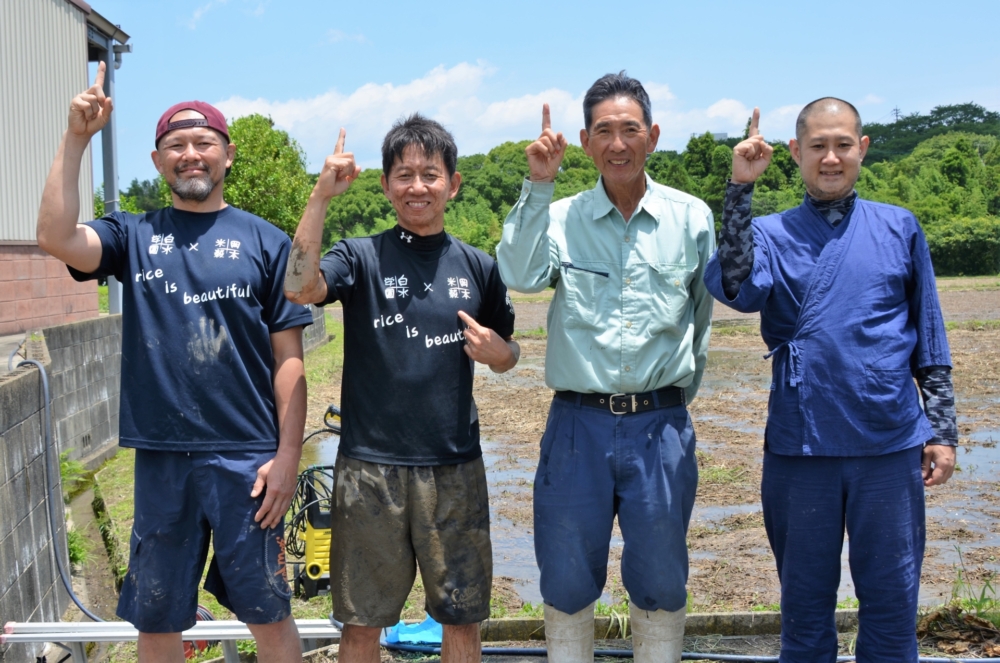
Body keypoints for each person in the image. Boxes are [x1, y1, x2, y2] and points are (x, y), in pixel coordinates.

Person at [35, 63, 311, 663]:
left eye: (203, 143)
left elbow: (288, 360)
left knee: (269, 612)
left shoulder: (267, 242)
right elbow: (56, 236)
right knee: (158, 618)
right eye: (176, 146)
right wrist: (76, 138)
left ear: (227, 155)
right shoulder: (134, 235)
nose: (191, 155)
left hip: (250, 459)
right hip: (162, 457)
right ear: (158, 161)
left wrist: (289, 457)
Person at [703, 100, 957, 663]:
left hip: (888, 443)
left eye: (843, 144)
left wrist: (941, 429)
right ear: (795, 154)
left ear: (862, 148)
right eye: (817, 146)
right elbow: (737, 284)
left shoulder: (899, 226)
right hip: (802, 443)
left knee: (892, 609)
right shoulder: (769, 232)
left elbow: (929, 333)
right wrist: (739, 189)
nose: (831, 157)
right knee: (805, 612)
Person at [496, 72, 715, 663]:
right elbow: (517, 275)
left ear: (653, 137)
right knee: (566, 577)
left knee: (661, 578)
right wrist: (538, 184)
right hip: (577, 425)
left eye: (630, 130)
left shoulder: (691, 217)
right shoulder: (560, 215)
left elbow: (700, 316)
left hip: (661, 426)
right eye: (604, 132)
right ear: (587, 144)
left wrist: (670, 401)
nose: (618, 143)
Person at [283, 114, 519, 663]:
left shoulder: (479, 267)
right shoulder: (360, 257)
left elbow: (509, 354)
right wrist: (320, 196)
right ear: (386, 185)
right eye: (404, 174)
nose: (418, 186)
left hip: (454, 467)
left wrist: (497, 353)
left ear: (453, 184)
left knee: (462, 618)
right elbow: (298, 287)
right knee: (361, 623)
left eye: (430, 174)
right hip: (369, 469)